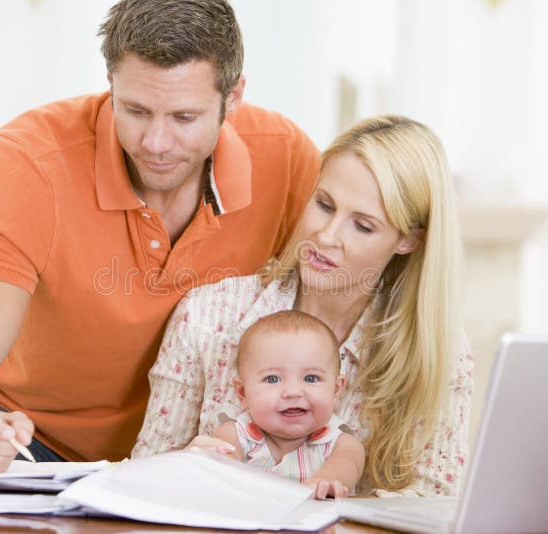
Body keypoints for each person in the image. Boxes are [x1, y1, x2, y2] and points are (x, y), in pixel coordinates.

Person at [0, 0, 319, 474]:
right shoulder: (24, 163)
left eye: (184, 118)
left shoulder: (286, 160)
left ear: (233, 97)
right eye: (136, 110)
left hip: (191, 455)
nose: (157, 143)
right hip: (29, 447)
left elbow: (353, 299)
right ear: (110, 84)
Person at [133, 115, 474, 496]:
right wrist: (186, 468)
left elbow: (434, 502)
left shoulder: (436, 349)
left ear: (407, 241)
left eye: (362, 226)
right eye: (325, 205)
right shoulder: (208, 315)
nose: (326, 236)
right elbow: (143, 480)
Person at [210, 310, 365, 499]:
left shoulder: (341, 445)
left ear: (335, 390)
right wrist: (220, 461)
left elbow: (346, 466)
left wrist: (327, 480)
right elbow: (218, 467)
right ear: (243, 392)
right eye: (272, 379)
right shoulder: (235, 435)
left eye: (311, 378)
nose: (292, 391)